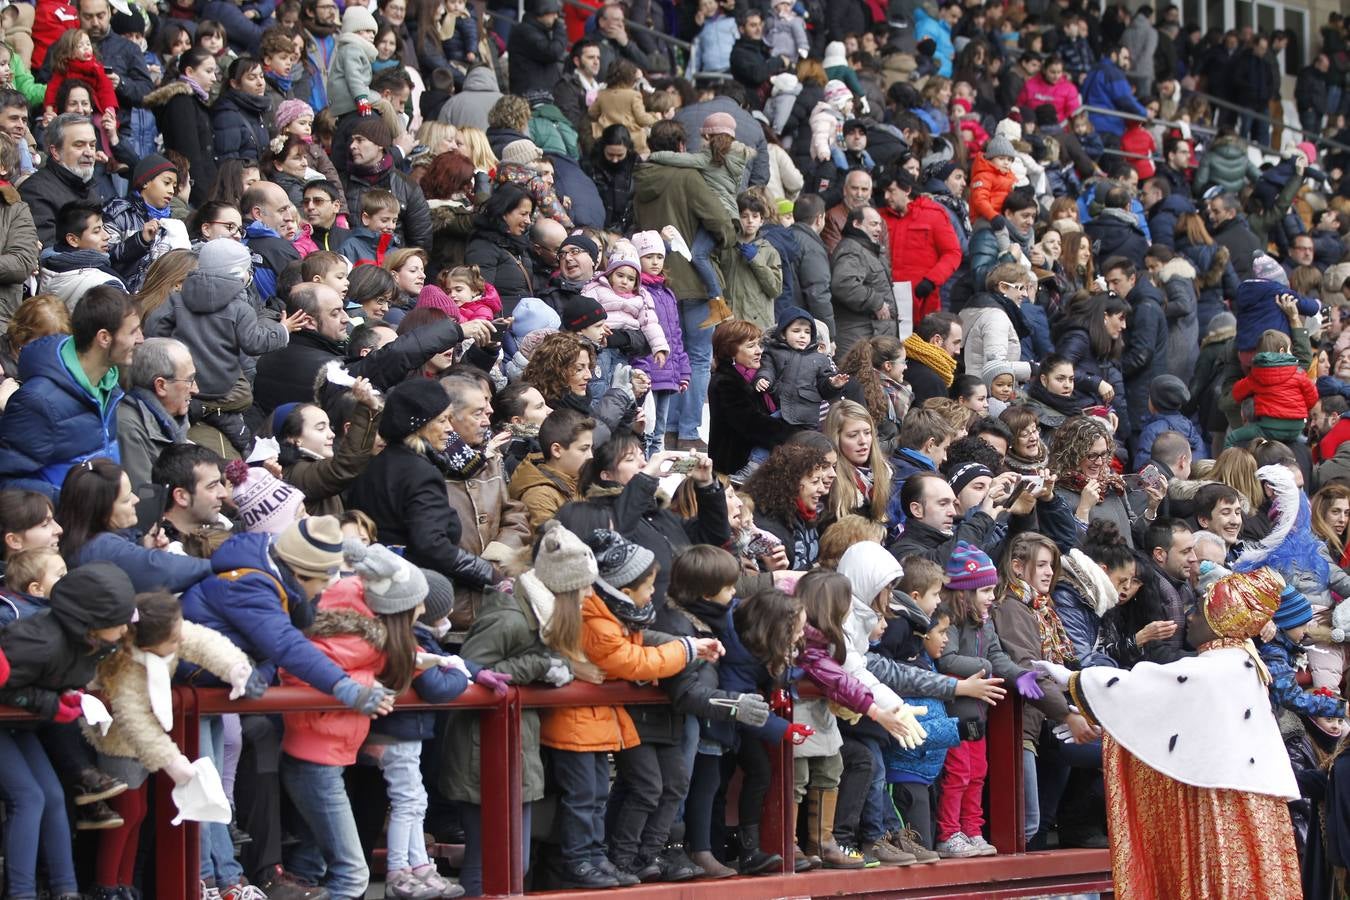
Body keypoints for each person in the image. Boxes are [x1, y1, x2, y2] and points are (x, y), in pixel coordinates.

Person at [1036, 568, 1302, 899]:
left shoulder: (1219, 667)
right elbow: (1168, 712)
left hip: (1224, 804)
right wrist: (1099, 714)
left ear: (1222, 618)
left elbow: (1156, 686)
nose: (1189, 616)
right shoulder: (1240, 662)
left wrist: (1075, 682)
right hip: (1240, 799)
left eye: (1202, 608)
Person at [934, 541, 1046, 858]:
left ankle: (972, 829)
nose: (991, 598)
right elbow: (947, 660)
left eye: (992, 590)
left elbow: (997, 656)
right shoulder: (951, 621)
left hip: (977, 715)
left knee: (978, 772)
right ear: (965, 593)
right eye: (985, 591)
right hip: (955, 715)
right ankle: (948, 834)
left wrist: (1019, 675)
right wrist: (984, 667)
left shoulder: (985, 622)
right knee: (957, 774)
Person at [345, 378, 498, 597]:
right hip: (410, 589)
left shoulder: (381, 462)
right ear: (419, 426)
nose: (449, 429)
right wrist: (490, 575)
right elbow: (432, 546)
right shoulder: (420, 473)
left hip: (381, 581)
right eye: (442, 421)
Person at [0, 287, 141, 496]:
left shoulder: (110, 385)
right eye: (133, 331)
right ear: (104, 338)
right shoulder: (38, 401)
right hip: (66, 523)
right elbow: (8, 484)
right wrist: (77, 505)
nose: (141, 339)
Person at [706, 319, 796, 478]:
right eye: (750, 346)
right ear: (730, 351)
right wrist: (794, 434)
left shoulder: (758, 376)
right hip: (736, 468)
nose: (758, 351)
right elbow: (751, 424)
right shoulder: (725, 381)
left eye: (758, 344)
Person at [879, 167, 961, 324]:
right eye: (884, 191)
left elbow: (952, 253)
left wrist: (931, 281)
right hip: (887, 302)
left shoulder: (933, 214)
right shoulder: (880, 217)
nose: (886, 196)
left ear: (907, 190)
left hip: (923, 302)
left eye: (891, 191)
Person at [115, 337, 195, 489]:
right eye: (189, 380)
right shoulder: (128, 428)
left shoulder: (173, 422)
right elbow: (146, 499)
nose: (195, 389)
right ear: (161, 385)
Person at [19, 114, 104, 249]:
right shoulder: (35, 191)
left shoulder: (90, 189)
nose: (89, 153)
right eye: (79, 145)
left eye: (92, 145)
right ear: (56, 152)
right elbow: (49, 254)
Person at [755, 307, 849, 428]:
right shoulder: (773, 351)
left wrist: (833, 384)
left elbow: (824, 387)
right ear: (783, 334)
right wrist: (763, 378)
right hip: (778, 411)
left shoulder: (819, 358)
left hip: (806, 417)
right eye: (796, 331)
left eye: (807, 332)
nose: (802, 336)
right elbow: (767, 368)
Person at [1228, 329, 1319, 446]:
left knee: (1232, 438)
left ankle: (1228, 463)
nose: (1291, 353)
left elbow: (1236, 393)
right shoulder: (1298, 373)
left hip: (1268, 428)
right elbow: (1312, 398)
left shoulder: (1256, 375)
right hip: (1296, 427)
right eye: (1290, 350)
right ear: (1282, 351)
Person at [831, 204, 895, 360]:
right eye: (873, 224)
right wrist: (876, 302)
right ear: (856, 224)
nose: (879, 229)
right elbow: (843, 284)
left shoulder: (868, 249)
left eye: (880, 224)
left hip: (869, 336)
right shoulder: (852, 248)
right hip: (857, 339)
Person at [1134, 376, 1205, 469]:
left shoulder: (1151, 431)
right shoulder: (1190, 426)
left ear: (1155, 402)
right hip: (1189, 482)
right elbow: (1201, 459)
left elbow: (1142, 468)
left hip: (1162, 482)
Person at [903, 312, 962, 404]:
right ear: (937, 340)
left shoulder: (904, 363)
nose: (958, 351)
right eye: (955, 343)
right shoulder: (932, 381)